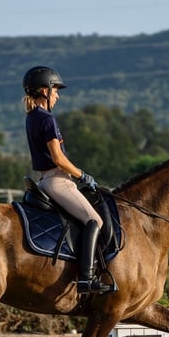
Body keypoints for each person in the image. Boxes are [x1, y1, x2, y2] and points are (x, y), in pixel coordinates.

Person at [22, 65, 114, 294]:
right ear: (44, 91)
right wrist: (82, 175)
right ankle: (86, 278)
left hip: (45, 180)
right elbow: (58, 159)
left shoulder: (31, 117)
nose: (58, 95)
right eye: (55, 90)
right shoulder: (46, 119)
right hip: (58, 180)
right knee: (95, 221)